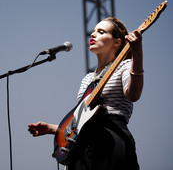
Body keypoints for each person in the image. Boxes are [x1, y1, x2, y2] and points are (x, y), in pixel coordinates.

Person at [28, 17, 143, 170]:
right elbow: (81, 121)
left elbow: (133, 95)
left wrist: (137, 52)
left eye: (101, 32)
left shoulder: (126, 65)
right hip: (83, 148)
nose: (93, 35)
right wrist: (51, 129)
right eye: (93, 31)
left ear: (117, 42)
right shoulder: (87, 79)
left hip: (112, 141)